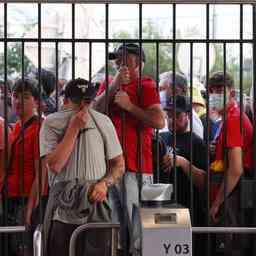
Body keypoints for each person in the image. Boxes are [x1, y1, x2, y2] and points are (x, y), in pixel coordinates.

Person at [40, 78, 124, 256]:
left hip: (96, 199)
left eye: (88, 102)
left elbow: (119, 165)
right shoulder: (51, 123)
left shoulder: (103, 122)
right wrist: (74, 128)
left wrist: (105, 184)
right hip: (64, 202)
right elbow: (55, 165)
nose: (83, 108)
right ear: (65, 101)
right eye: (78, 102)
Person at [94, 43, 165, 254]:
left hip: (136, 167)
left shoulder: (146, 84)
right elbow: (95, 110)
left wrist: (130, 107)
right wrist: (115, 84)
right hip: (109, 167)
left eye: (125, 60)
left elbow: (159, 121)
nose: (119, 64)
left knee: (137, 230)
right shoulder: (108, 83)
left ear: (138, 63)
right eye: (117, 61)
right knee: (114, 226)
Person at [208, 71, 253, 256]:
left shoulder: (234, 119)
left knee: (231, 248)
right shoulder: (230, 118)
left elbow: (235, 169)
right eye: (211, 91)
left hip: (235, 194)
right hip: (233, 192)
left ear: (232, 94)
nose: (214, 95)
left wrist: (217, 203)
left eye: (220, 91)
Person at [3, 78, 43, 256]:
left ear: (36, 102)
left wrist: (29, 209)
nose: (18, 101)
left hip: (27, 199)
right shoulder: (17, 126)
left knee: (24, 248)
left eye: (25, 97)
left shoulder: (39, 128)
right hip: (12, 198)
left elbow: (41, 173)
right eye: (15, 96)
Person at [159, 71, 204, 139]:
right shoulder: (165, 112)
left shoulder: (191, 120)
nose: (159, 93)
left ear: (177, 91)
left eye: (162, 89)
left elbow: (194, 146)